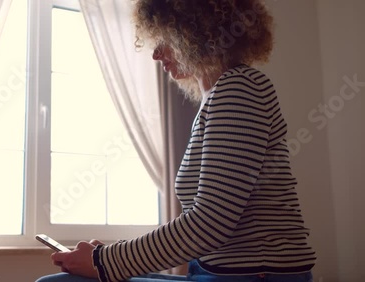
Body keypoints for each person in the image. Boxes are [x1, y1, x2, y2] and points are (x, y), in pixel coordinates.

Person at [36, 0, 316, 281]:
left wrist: (106, 261)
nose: (156, 54)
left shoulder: (240, 89)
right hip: (216, 273)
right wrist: (111, 255)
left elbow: (210, 223)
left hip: (255, 275)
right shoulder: (217, 97)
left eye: (165, 38)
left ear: (199, 33)